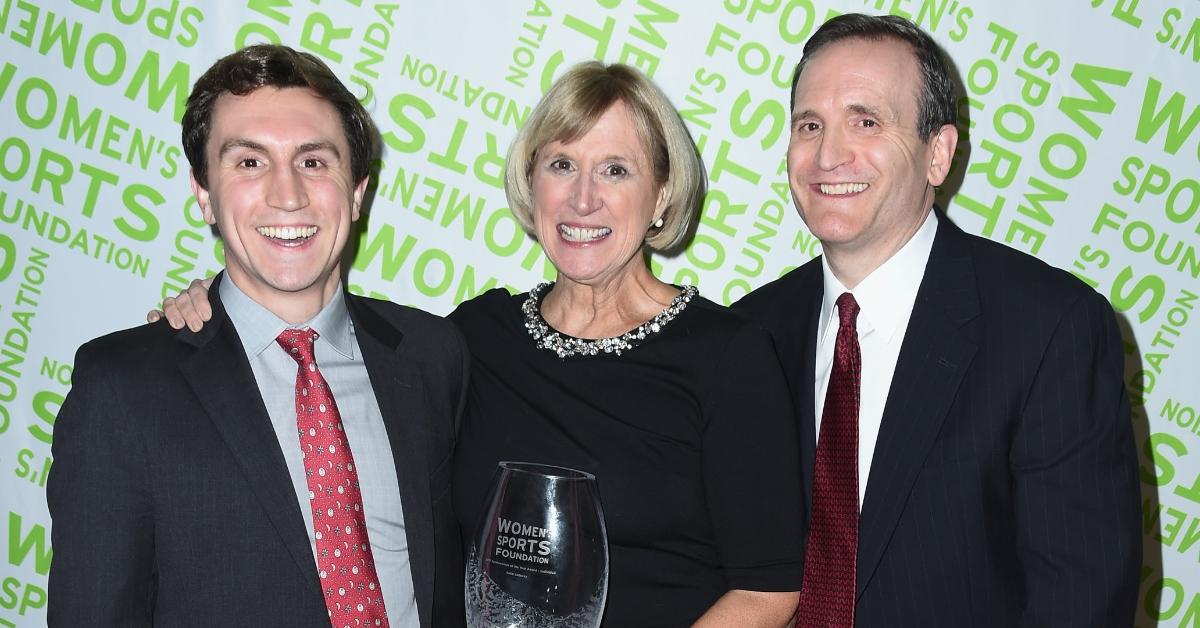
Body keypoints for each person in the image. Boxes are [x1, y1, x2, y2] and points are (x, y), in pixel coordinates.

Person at [153, 61, 806, 627]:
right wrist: (218, 314)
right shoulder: (470, 338)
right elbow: (322, 343)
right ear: (532, 183)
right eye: (561, 165)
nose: (583, 198)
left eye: (615, 169)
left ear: (661, 192)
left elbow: (771, 589)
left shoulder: (729, 356)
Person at [733, 13, 1141, 627]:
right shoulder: (748, 333)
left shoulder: (1049, 328)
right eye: (809, 125)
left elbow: (1080, 603)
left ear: (938, 154)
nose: (828, 154)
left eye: (865, 122)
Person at [49, 44, 468, 627]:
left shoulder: (432, 354)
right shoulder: (122, 389)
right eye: (249, 162)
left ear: (357, 191)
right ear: (204, 195)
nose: (287, 195)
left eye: (314, 161)